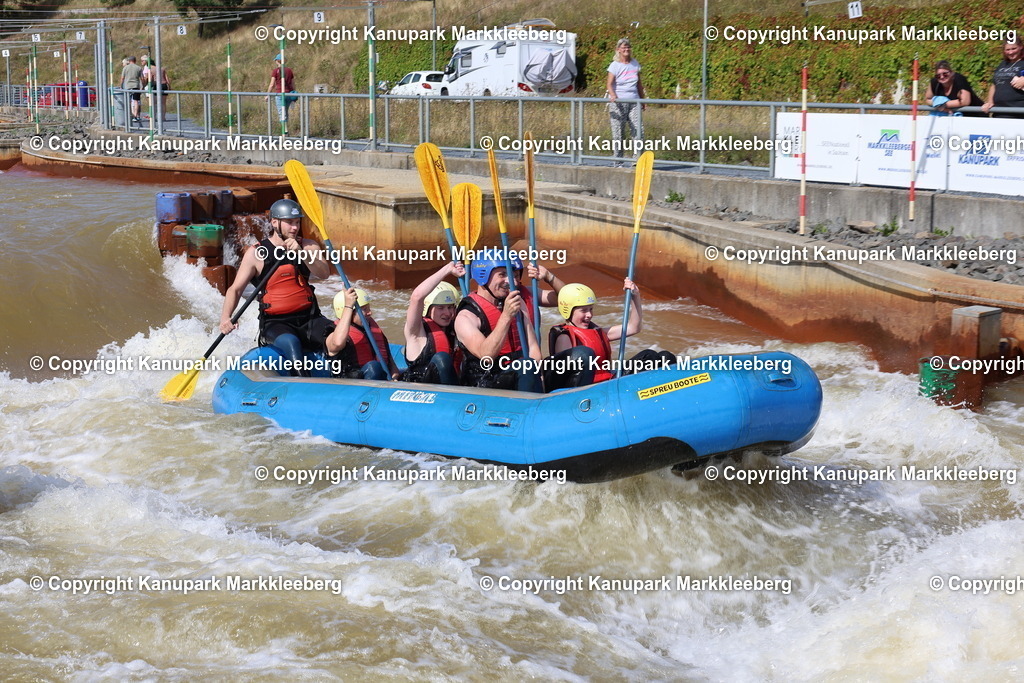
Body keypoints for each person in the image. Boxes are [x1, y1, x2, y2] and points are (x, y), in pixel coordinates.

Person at [218, 199, 331, 375]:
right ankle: (302, 386)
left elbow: (324, 273)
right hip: (276, 324)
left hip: (309, 319)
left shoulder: (308, 246)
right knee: (292, 343)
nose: (294, 228)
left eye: (297, 222)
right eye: (289, 222)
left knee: (341, 335)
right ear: (274, 222)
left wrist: (301, 253)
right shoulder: (256, 253)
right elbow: (235, 289)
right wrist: (226, 318)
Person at [546, 280, 673, 390]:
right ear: (567, 310)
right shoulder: (564, 337)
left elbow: (634, 327)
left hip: (608, 382)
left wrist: (635, 297)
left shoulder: (598, 332)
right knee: (651, 356)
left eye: (590, 309)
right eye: (583, 310)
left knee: (662, 357)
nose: (589, 315)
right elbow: (565, 376)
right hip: (590, 392)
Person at [454, 255, 542, 391]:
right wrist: (506, 316)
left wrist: (540, 380)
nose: (511, 281)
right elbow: (486, 356)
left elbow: (533, 349)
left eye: (512, 275)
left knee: (581, 355)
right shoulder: (465, 317)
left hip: (521, 374)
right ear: (483, 276)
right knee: (525, 365)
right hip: (484, 383)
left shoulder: (518, 303)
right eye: (502, 275)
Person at [402, 262, 465, 385]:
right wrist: (448, 269)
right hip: (423, 393)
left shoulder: (457, 329)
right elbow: (417, 297)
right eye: (441, 308)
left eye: (450, 307)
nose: (447, 313)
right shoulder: (416, 330)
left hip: (453, 391)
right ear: (428, 309)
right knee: (442, 359)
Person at [326, 287, 400, 380]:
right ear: (350, 312)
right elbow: (337, 343)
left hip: (381, 382)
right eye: (364, 309)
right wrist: (349, 306)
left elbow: (391, 364)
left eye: (369, 308)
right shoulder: (333, 334)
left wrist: (395, 378)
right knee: (374, 367)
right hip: (350, 386)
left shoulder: (372, 330)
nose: (370, 312)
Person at [606, 37, 646, 166]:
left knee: (638, 130)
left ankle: (637, 159)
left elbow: (639, 84)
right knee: (618, 132)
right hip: (618, 102)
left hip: (634, 101)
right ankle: (618, 160)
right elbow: (609, 84)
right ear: (618, 50)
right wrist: (613, 95)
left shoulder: (635, 63)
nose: (626, 49)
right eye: (623, 47)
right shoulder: (615, 65)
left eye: (628, 47)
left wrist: (642, 100)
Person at [981, 37, 1024, 118]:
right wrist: (990, 102)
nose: (1010, 52)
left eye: (1014, 48)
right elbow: (994, 84)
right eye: (1007, 50)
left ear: (1021, 47)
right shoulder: (1002, 64)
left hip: (1019, 112)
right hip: (999, 111)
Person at [266, 54, 297, 133]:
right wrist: (294, 93)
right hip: (289, 94)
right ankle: (286, 127)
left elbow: (272, 84)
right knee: (285, 111)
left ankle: (284, 129)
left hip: (280, 94)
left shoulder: (276, 71)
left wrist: (268, 94)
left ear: (278, 61)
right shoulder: (289, 70)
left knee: (281, 112)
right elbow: (293, 84)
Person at [141, 56, 171, 122]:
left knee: (154, 102)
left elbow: (150, 79)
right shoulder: (162, 69)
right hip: (163, 85)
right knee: (163, 103)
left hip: (156, 85)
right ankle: (163, 117)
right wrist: (169, 86)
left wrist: (146, 85)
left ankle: (153, 117)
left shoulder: (150, 70)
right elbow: (167, 79)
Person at [119, 56, 143, 124]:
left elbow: (122, 78)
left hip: (127, 87)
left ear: (129, 61)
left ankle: (130, 114)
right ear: (135, 61)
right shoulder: (138, 68)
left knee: (128, 101)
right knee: (136, 101)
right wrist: (142, 86)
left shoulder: (125, 68)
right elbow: (142, 78)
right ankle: (135, 115)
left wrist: (121, 86)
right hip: (136, 86)